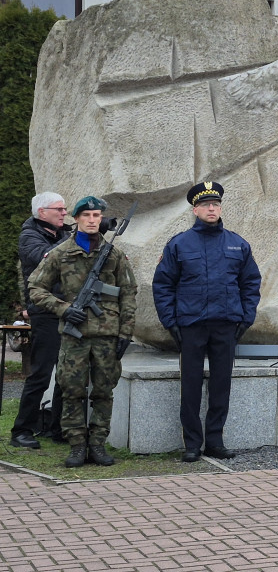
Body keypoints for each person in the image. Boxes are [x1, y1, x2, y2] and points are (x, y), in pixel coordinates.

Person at [152, 183, 262, 463]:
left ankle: (215, 441)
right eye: (206, 205)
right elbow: (163, 285)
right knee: (190, 386)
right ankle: (191, 444)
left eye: (215, 204)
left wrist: (245, 318)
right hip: (191, 325)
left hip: (226, 326)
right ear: (195, 210)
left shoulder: (238, 243)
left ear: (221, 208)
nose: (211, 209)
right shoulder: (179, 244)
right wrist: (170, 322)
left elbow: (250, 283)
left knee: (221, 385)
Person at [26, 196, 138, 468]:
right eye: (86, 215)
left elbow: (128, 294)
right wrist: (63, 309)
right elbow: (36, 289)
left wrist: (125, 334)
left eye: (96, 216)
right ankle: (77, 446)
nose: (91, 220)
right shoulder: (61, 253)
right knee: (72, 391)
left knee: (103, 392)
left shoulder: (113, 255)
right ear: (75, 219)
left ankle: (97, 445)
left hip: (107, 337)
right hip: (74, 335)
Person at [12, 192, 72, 448]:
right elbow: (47, 258)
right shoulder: (29, 236)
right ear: (42, 212)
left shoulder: (64, 234)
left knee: (66, 373)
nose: (64, 213)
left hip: (68, 309)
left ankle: (56, 427)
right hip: (45, 310)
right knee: (41, 373)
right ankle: (21, 431)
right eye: (58, 209)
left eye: (65, 209)